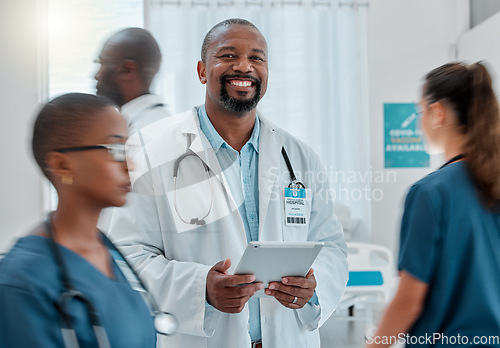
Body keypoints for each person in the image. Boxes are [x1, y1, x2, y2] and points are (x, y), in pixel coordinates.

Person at [103, 18, 348, 348]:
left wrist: (314, 287)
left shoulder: (300, 157)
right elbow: (126, 254)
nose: (244, 66)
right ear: (203, 71)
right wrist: (200, 288)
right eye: (229, 56)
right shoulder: (150, 150)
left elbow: (331, 246)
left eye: (257, 58)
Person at [0, 93, 157, 347]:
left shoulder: (108, 253)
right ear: (62, 165)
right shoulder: (24, 279)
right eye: (115, 150)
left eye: (129, 150)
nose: (131, 165)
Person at [366, 62, 500, 348]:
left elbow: (409, 302)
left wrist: (375, 344)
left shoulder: (430, 193)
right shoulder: (493, 183)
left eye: (420, 112)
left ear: (437, 113)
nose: (419, 121)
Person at [95, 27, 171, 135]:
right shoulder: (150, 122)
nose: (97, 75)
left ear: (128, 70)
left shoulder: (145, 133)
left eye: (102, 63)